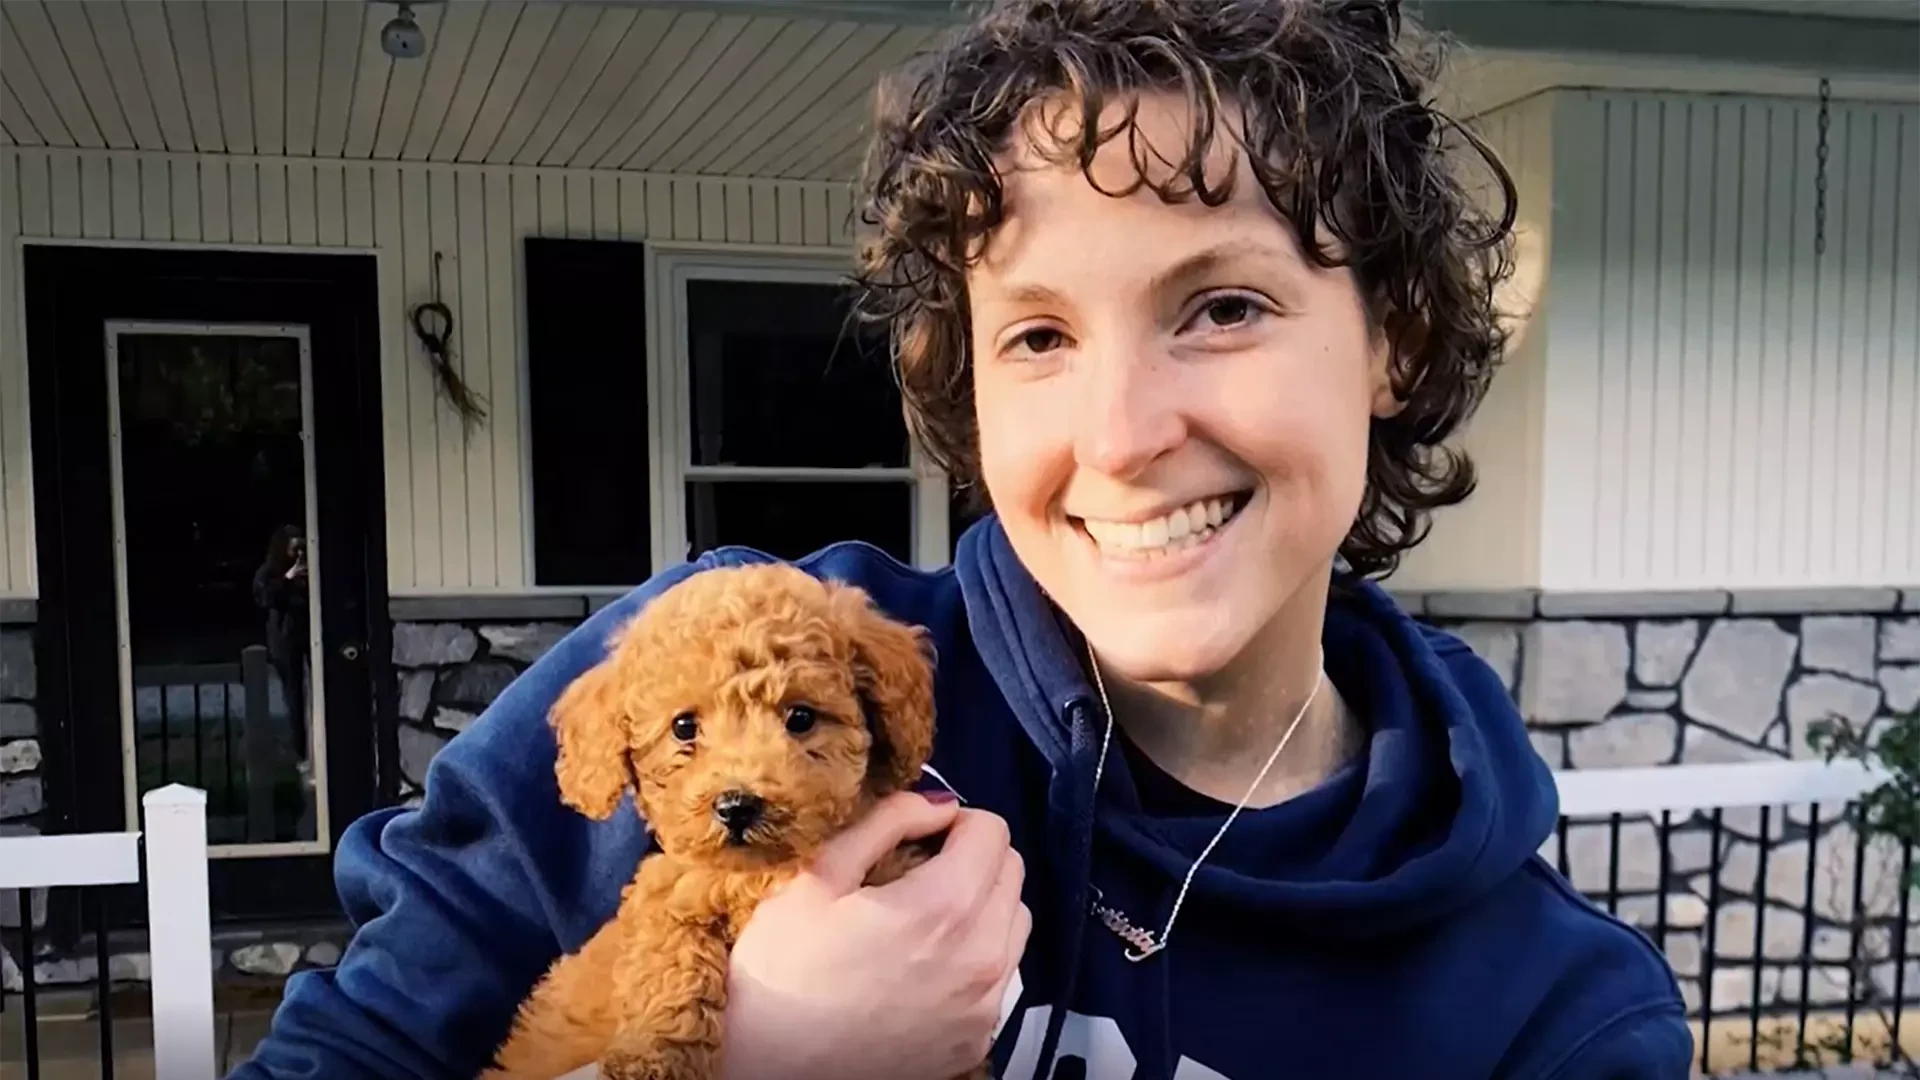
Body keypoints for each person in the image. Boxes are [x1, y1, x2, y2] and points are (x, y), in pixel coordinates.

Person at [233, 2, 1690, 1077]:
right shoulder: (711, 675)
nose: (1122, 434)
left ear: (1396, 338)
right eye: (1039, 334)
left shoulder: (1551, 1016)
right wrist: (760, 1059)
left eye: (1224, 307)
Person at [251, 524, 311, 776]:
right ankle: (300, 752)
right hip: (285, 641)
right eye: (294, 548)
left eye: (302, 548)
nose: (298, 554)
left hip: (307, 635)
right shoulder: (269, 572)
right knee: (294, 696)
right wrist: (287, 579)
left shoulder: (310, 567)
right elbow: (265, 598)